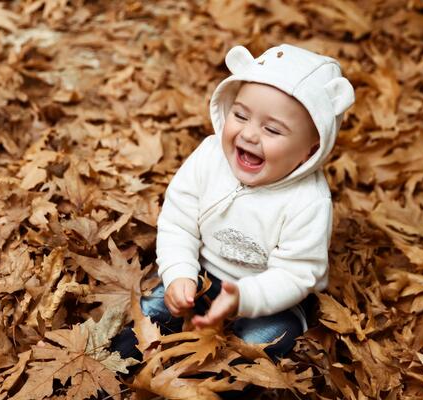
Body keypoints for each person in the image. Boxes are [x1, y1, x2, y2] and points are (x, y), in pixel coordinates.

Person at [113, 43, 355, 361]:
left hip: (268, 296)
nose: (250, 134)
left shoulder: (308, 201)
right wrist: (179, 273)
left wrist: (245, 298)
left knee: (265, 340)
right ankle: (113, 368)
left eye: (272, 129)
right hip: (201, 274)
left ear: (309, 151)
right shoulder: (210, 157)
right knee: (154, 310)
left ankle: (222, 382)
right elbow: (178, 221)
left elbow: (296, 273)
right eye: (240, 115)